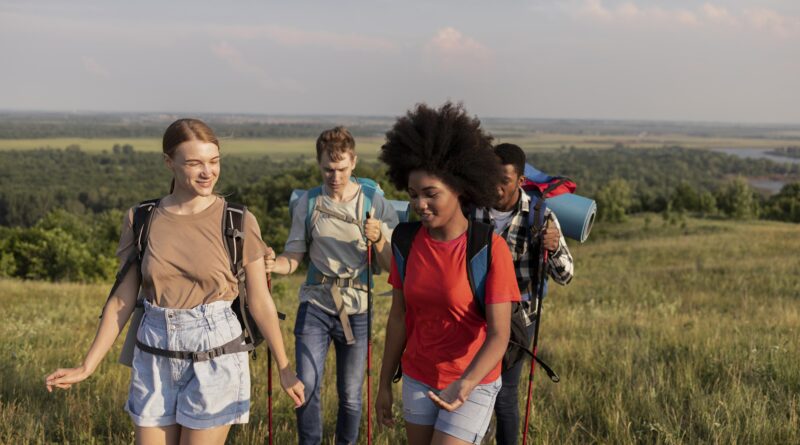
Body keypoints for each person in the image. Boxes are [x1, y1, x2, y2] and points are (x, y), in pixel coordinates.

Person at [45, 118, 304, 445]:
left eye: (214, 161)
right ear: (169, 162)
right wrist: (87, 366)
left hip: (216, 351)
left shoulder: (237, 220)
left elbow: (259, 301)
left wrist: (284, 367)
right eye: (194, 163)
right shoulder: (142, 218)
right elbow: (122, 300)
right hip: (154, 351)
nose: (207, 172)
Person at [375, 102, 521, 445]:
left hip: (473, 381)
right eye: (413, 195)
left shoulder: (488, 248)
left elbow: (500, 335)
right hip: (417, 377)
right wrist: (383, 384)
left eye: (430, 194)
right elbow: (399, 317)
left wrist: (466, 383)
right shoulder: (405, 241)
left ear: (458, 187)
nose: (420, 204)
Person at [264, 126, 399, 445]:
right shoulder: (308, 203)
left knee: (351, 395)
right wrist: (274, 264)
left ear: (353, 162)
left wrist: (378, 237)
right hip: (316, 304)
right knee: (307, 386)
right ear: (318, 164)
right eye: (327, 168)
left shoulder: (373, 202)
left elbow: (391, 266)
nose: (334, 175)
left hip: (359, 307)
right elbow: (294, 256)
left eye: (340, 168)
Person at [473, 143, 574, 445]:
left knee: (505, 396)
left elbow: (566, 275)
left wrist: (553, 248)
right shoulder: (471, 211)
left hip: (518, 320)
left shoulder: (540, 216)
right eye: (490, 177)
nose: (496, 186)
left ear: (520, 181)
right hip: (473, 316)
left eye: (504, 180)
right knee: (471, 389)